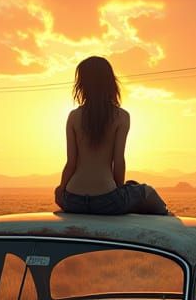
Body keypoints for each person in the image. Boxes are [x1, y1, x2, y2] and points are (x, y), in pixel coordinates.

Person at [54, 56, 170, 215]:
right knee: (145, 191)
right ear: (110, 82)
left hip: (73, 201)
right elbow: (119, 162)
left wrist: (61, 190)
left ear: (82, 84)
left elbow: (71, 163)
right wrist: (118, 191)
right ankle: (168, 217)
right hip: (106, 200)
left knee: (132, 186)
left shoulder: (73, 116)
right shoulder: (121, 116)